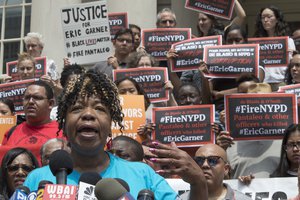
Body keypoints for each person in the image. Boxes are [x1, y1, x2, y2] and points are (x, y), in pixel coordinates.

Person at [24, 71, 177, 199]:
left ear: (110, 125)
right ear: (63, 125)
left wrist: (198, 184)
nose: (88, 114)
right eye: (77, 108)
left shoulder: (143, 174)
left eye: (99, 108)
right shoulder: (36, 180)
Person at [2, 80, 63, 145]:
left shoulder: (64, 132)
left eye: (37, 97)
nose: (30, 101)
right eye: (27, 98)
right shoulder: (11, 133)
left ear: (50, 104)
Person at [180, 144, 251, 200]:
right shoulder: (181, 199)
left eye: (212, 160)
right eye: (199, 160)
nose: (205, 165)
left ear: (226, 169)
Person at [254, 5, 295, 91]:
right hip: (262, 84)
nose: (265, 20)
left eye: (269, 17)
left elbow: (293, 65)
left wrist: (292, 55)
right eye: (263, 17)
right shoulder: (256, 43)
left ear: (277, 19)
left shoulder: (288, 41)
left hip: (282, 82)